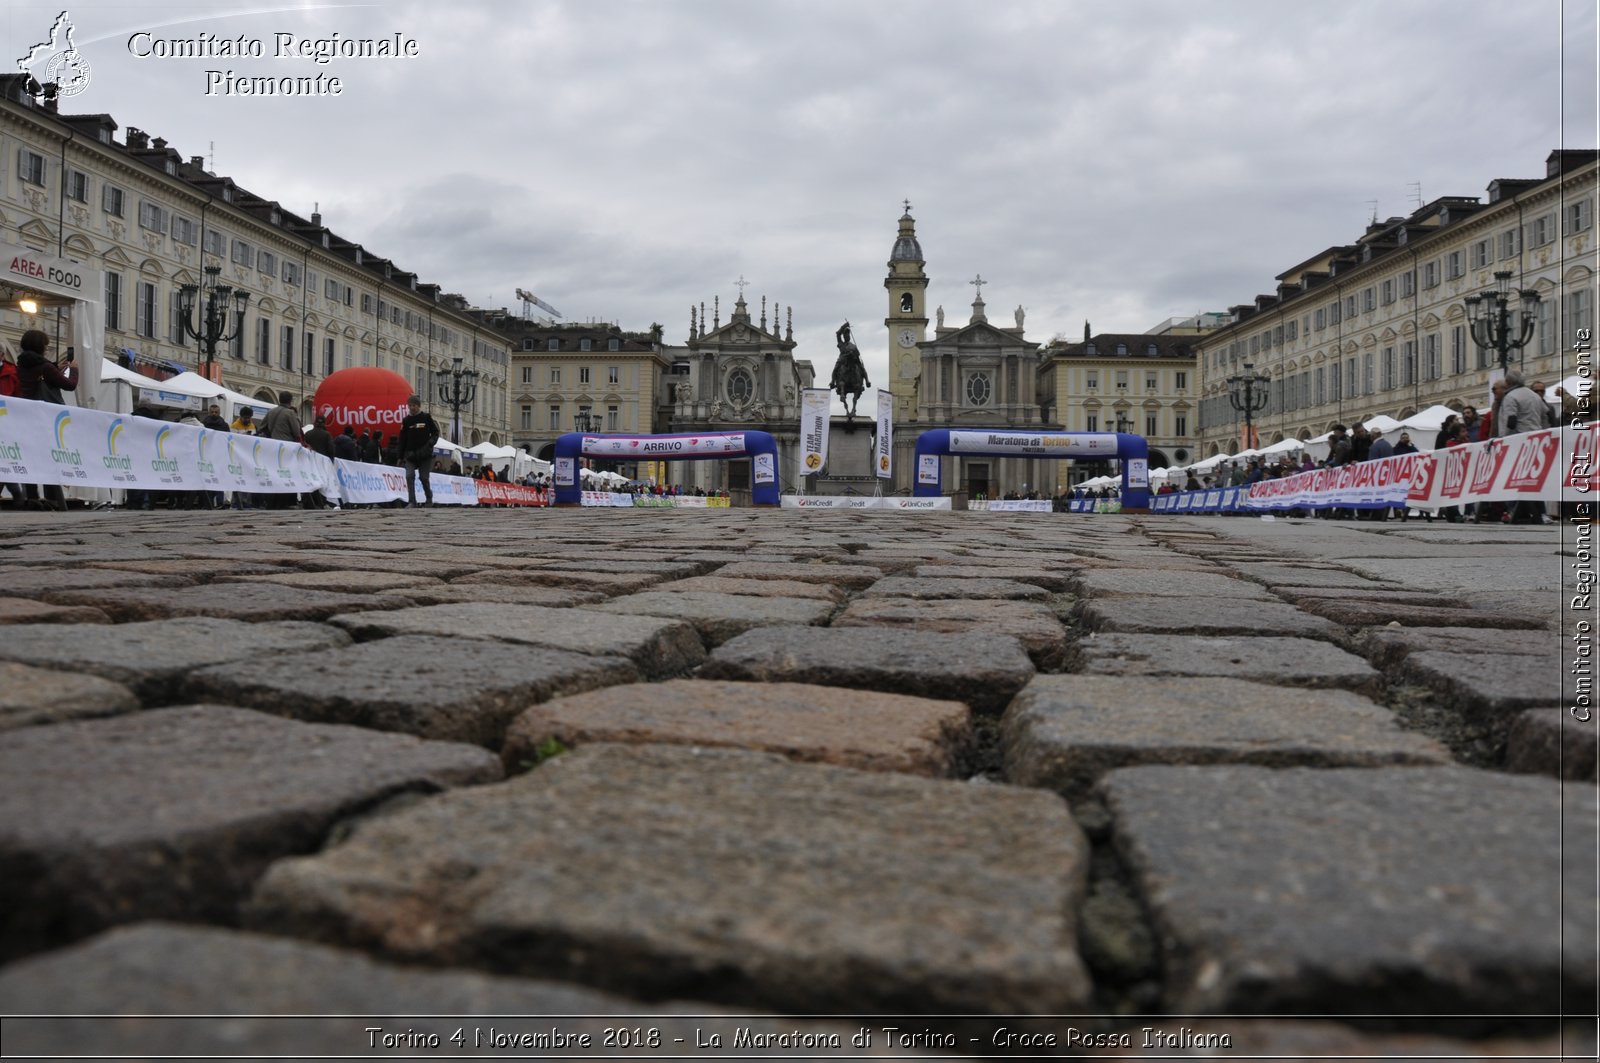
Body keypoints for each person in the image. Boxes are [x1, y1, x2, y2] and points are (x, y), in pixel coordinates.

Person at [16, 330, 77, 511]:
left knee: (30, 457)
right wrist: (74, 370)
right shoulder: (45, 367)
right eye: (45, 343)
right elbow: (70, 385)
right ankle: (53, 498)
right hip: (45, 417)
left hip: (25, 415)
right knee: (49, 457)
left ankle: (32, 496)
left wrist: (55, 369)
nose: (47, 346)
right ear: (39, 345)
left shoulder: (21, 364)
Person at [396, 395, 440, 507]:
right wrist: (400, 457)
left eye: (414, 405)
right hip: (410, 455)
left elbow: (435, 432)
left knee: (424, 478)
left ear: (418, 406)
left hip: (425, 454)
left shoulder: (425, 417)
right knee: (409, 476)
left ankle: (429, 498)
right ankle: (412, 501)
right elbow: (402, 439)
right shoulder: (406, 421)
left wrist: (431, 443)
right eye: (410, 405)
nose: (412, 407)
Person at [303, 415, 335, 509]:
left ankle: (309, 501)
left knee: (311, 480)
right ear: (324, 423)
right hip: (323, 462)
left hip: (309, 461)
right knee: (322, 482)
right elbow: (331, 449)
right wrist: (331, 460)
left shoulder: (308, 434)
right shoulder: (327, 434)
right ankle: (321, 501)